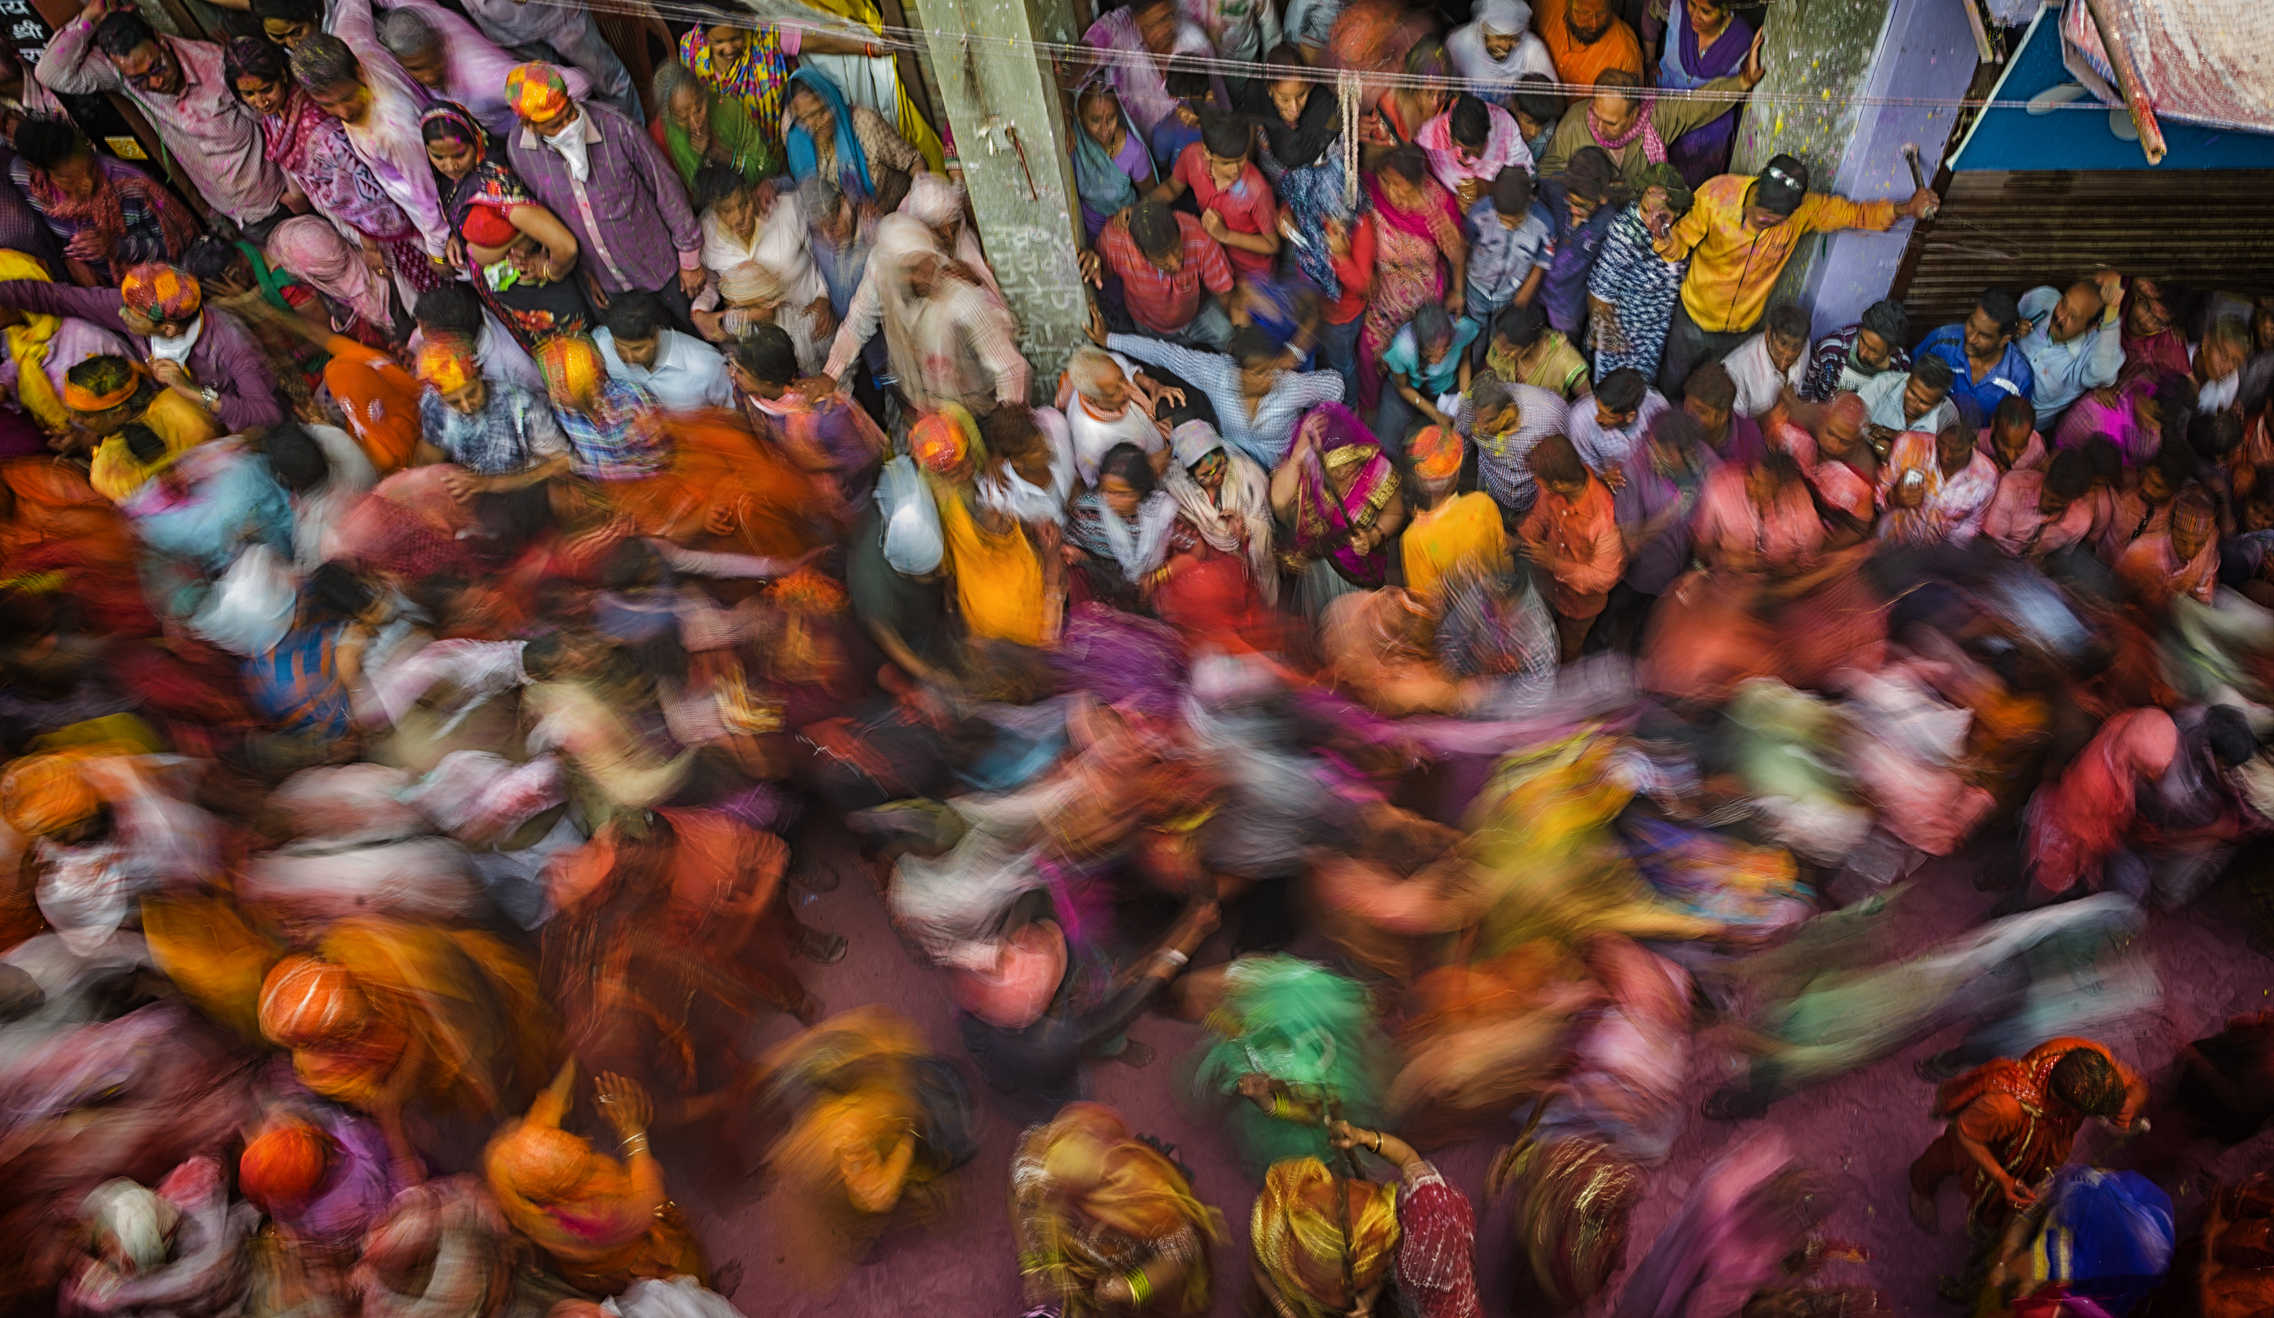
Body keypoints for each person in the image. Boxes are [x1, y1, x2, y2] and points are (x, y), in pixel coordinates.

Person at [1655, 153, 1936, 397]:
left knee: (1715, 393)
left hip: (1740, 330)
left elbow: (1856, 214)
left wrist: (1906, 208)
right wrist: (1665, 238)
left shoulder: (1803, 211)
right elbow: (1678, 245)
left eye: (1774, 219)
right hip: (1692, 319)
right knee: (1672, 383)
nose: (1763, 221)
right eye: (1759, 212)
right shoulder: (1716, 196)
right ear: (1757, 186)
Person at [35, 2, 289, 236]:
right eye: (140, 79)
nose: (155, 82)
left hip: (274, 201)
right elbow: (50, 73)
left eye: (156, 67)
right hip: (231, 213)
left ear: (160, 40)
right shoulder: (123, 76)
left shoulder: (216, 68)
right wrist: (92, 15)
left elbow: (276, 125)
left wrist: (294, 193)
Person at [225, 39, 437, 303]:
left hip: (385, 226)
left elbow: (363, 191)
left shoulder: (317, 120)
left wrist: (371, 244)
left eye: (266, 89)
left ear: (282, 75)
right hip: (358, 224)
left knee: (430, 284)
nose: (260, 101)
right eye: (249, 94)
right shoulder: (278, 115)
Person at [503, 63, 706, 329]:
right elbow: (548, 215)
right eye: (555, 125)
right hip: (608, 283)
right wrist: (585, 272)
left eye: (569, 112)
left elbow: (667, 189)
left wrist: (690, 260)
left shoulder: (617, 128)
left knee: (691, 330)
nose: (568, 125)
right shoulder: (520, 153)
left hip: (661, 267)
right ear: (528, 125)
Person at [486, 1062, 708, 1294]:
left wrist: (573, 1058)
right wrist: (633, 1131)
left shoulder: (515, 1161)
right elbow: (647, 1205)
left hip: (588, 1251)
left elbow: (548, 1106)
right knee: (685, 1274)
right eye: (587, 1164)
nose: (589, 1152)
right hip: (627, 1251)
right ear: (566, 1189)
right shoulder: (592, 1219)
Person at [0, 261, 283, 434]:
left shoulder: (230, 345)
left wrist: (193, 392)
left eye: (132, 316)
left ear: (168, 329)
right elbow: (56, 297)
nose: (120, 314)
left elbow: (267, 414)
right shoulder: (135, 308)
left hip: (226, 431)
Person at [1909, 1038, 2145, 1236]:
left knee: (2012, 1192)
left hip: (2032, 1143)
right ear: (2070, 1109)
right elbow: (1965, 1132)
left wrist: (2131, 1101)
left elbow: (2136, 1085)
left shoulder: (2091, 1064)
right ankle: (1921, 1188)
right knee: (1949, 1155)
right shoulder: (2005, 1108)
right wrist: (2002, 1178)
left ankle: (1991, 1214)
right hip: (1983, 1137)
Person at [1012, 1102, 1226, 1317]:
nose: (1051, 1196)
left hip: (1141, 1262)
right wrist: (1030, 1265)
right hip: (1094, 1267)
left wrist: (1131, 1289)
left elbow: (1181, 1256)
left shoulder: (1143, 1191)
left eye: (1069, 1193)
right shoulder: (1042, 1158)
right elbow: (1017, 1190)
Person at [824, 214, 1028, 417]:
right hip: (930, 411)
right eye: (912, 270)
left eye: (928, 263)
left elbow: (1011, 369)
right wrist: (830, 375)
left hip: (978, 410)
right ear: (893, 273)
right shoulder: (882, 272)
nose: (926, 277)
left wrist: (1007, 420)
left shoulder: (961, 298)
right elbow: (857, 323)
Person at [1101, 316, 1345, 468]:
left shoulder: (1290, 387)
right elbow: (1165, 354)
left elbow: (1336, 386)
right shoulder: (1218, 374)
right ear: (1238, 371)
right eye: (1259, 373)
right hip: (1236, 465)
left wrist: (1313, 421)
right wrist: (1109, 339)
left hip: (1287, 467)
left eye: (1270, 370)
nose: (1269, 378)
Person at [920, 406, 1054, 647]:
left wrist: (994, 456)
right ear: (940, 477)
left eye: (967, 459)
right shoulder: (944, 510)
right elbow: (948, 567)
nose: (967, 470)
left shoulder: (958, 419)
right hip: (1000, 612)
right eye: (955, 473)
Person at [9, 117, 197, 288]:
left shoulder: (131, 186)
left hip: (154, 281)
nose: (88, 183)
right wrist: (70, 259)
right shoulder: (27, 182)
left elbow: (176, 245)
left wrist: (116, 247)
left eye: (90, 169)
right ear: (38, 171)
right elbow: (51, 238)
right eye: (71, 179)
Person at [371, 0, 589, 139]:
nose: (427, 76)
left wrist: (542, 124)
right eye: (416, 68)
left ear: (444, 44)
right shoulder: (413, 12)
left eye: (432, 63)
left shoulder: (487, 80)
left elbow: (578, 83)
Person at [1359, 146, 1466, 415]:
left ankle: (1421, 404)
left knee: (1420, 355)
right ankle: (1371, 407)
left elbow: (1457, 254)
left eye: (1400, 187)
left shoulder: (1437, 205)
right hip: (1383, 297)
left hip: (1422, 303)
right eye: (1386, 181)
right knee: (1368, 352)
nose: (1391, 192)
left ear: (1418, 183)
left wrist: (1458, 290)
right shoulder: (1371, 191)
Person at [1534, 61, 1761, 187]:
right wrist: (1576, 183)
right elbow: (1547, 168)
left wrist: (1743, 82)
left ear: (1634, 116)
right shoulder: (1576, 120)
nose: (1599, 127)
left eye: (1611, 123)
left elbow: (1696, 106)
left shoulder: (1655, 118)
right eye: (1596, 115)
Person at [1271, 402, 1404, 614]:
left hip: (1360, 571)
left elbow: (1395, 512)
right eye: (1335, 469)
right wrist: (1297, 456)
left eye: (1353, 462)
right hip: (1320, 569)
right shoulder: (1308, 475)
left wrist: (1374, 536)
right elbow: (1279, 503)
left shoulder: (1376, 471)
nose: (1346, 472)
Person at [411, 332, 572, 497]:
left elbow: (563, 461)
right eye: (454, 402)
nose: (466, 406)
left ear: (481, 374)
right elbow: (431, 454)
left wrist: (490, 484)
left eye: (472, 393)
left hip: (524, 493)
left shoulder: (522, 405)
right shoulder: (433, 405)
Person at [1249, 1155, 1402, 1318]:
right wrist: (1285, 1310)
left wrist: (1367, 1299)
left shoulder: (1370, 1227)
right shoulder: (1277, 1221)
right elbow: (1256, 1263)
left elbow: (1387, 1262)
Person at [1519, 431, 1626, 659]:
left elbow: (1602, 577)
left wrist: (1555, 564)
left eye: (1538, 478)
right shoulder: (1552, 491)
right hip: (1547, 585)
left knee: (1569, 647)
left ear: (1558, 484)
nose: (1536, 481)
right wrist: (1523, 539)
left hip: (1579, 605)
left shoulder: (1603, 517)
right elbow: (1539, 517)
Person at [1585, 163, 1691, 386]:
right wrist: (1609, 336)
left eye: (1661, 216)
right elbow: (1601, 290)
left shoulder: (1686, 229)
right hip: (1622, 339)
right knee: (1613, 392)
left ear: (1678, 212)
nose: (1651, 220)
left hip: (1655, 336)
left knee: (1641, 393)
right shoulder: (1625, 232)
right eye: (1644, 209)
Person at [1085, 197, 1236, 351]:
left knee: (1231, 339)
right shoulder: (1116, 242)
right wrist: (1093, 261)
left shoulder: (1200, 238)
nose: (1176, 265)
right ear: (1140, 250)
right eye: (1163, 261)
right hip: (1150, 328)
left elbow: (1225, 294)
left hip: (1198, 314)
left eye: (1178, 251)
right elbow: (1101, 271)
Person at [64, 354, 221, 501]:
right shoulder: (181, 396)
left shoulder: (110, 463)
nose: (74, 419)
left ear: (120, 413)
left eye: (85, 416)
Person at [1082, 0, 1219, 166]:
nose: (1163, 31)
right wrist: (1067, 65)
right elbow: (1085, 54)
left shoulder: (1196, 45)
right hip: (1136, 159)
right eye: (1152, 25)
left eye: (1167, 18)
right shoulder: (1121, 31)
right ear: (1137, 21)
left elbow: (1220, 106)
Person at [782, 66, 928, 216]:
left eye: (820, 112)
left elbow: (915, 162)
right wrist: (850, 212)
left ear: (832, 99)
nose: (815, 125)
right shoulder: (807, 147)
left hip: (903, 212)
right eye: (805, 118)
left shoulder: (866, 126)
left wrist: (909, 205)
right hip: (866, 224)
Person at [1152, 113, 1278, 282]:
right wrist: (1144, 207)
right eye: (1226, 163)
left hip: (1252, 275)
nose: (1235, 170)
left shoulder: (1257, 191)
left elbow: (1273, 244)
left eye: (1240, 160)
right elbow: (1171, 188)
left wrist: (1225, 235)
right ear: (1206, 151)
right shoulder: (1192, 157)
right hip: (1214, 260)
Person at [1649, 0, 1759, 184]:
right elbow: (1650, 13)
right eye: (1693, 4)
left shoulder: (1741, 43)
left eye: (1706, 11)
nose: (1695, 16)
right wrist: (1648, 59)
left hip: (1704, 142)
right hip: (1663, 120)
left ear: (1725, 9)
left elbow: (1743, 93)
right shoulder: (1677, 7)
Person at [1400, 426, 1507, 601]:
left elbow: (1425, 605)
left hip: (1458, 617)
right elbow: (1503, 560)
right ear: (1456, 475)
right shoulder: (1482, 503)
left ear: (1419, 480)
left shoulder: (1414, 539)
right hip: (1497, 602)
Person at [1534, 146, 1624, 345]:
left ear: (1603, 198)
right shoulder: (1552, 190)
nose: (1574, 210)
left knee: (1563, 349)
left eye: (1583, 206)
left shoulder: (1610, 220)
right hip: (1538, 290)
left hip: (1569, 308)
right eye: (1570, 201)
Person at [592, 290, 733, 415]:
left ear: (655, 335)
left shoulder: (707, 369)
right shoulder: (601, 345)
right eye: (620, 348)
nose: (628, 358)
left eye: (637, 349)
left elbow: (734, 414)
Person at [1915, 287, 2036, 429]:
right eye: (1971, 324)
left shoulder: (2020, 378)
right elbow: (1908, 381)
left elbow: (2011, 427)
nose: (1971, 338)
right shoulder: (1940, 342)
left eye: (1983, 335)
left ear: (2004, 340)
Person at [2016, 272, 2124, 426]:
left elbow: (2103, 373)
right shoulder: (2042, 299)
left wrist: (2112, 311)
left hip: (2025, 427)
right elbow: (2003, 319)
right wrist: (2012, 325)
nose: (2060, 316)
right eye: (2063, 302)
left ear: (2090, 327)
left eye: (2073, 317)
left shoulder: (2088, 355)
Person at [650, 59, 773, 191]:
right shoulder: (663, 134)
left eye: (699, 109)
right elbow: (684, 193)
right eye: (683, 118)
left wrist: (728, 158)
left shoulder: (727, 108)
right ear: (670, 117)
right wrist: (703, 156)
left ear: (704, 94)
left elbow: (763, 166)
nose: (695, 123)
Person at [1877, 419, 1998, 546]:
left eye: (1956, 449)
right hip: (1891, 543)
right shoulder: (1909, 444)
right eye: (1941, 442)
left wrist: (1946, 552)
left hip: (1939, 554)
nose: (1945, 455)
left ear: (1974, 443)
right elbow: (1881, 488)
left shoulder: (1986, 477)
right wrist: (1894, 498)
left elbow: (1971, 526)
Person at [1062, 345, 1170, 482]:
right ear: (1093, 399)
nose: (1128, 390)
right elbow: (1104, 486)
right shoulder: (1092, 447)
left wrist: (1152, 385)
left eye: (1123, 378)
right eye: (1116, 392)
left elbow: (1126, 368)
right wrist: (1147, 469)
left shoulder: (1108, 368)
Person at [1378, 302, 1477, 448]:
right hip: (1410, 387)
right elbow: (1403, 386)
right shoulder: (1403, 348)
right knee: (1386, 446)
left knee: (1464, 436)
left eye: (1445, 352)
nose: (1436, 361)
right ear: (1419, 346)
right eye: (1429, 355)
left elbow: (1465, 360)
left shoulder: (1462, 331)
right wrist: (1435, 413)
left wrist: (1464, 397)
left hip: (1445, 384)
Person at [1072, 79, 1159, 243]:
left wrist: (1134, 212)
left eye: (1111, 118)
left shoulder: (1134, 152)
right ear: (1079, 116)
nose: (1105, 129)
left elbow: (1151, 194)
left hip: (1121, 235)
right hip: (1087, 231)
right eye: (1095, 120)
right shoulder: (1075, 138)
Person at [1464, 168, 1553, 326]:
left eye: (1517, 221)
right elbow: (1468, 246)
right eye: (1503, 220)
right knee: (1474, 331)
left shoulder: (1545, 225)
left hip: (1509, 297)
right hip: (1476, 289)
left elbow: (1539, 266)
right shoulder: (1478, 214)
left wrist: (1518, 305)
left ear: (1529, 200)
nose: (1509, 227)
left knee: (1500, 334)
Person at [1417, 94, 1533, 212]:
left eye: (1475, 151)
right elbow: (1421, 183)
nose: (1468, 158)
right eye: (1463, 150)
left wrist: (1490, 187)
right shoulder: (1430, 137)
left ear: (1488, 131)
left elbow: (1526, 176)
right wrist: (1453, 203)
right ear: (1451, 136)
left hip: (1499, 204)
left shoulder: (1504, 125)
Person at [1981, 447, 2094, 560]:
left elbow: (2060, 560)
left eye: (2055, 501)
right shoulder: (2011, 488)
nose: (2045, 501)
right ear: (2046, 475)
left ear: (2074, 500)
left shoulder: (2079, 521)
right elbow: (1988, 543)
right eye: (2046, 491)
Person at [1801, 296, 1910, 402]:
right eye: (1862, 340)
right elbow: (1808, 391)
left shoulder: (1900, 367)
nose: (1862, 353)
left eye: (1873, 350)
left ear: (1892, 350)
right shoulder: (1831, 350)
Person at [1445, 0, 1556, 100]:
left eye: (1513, 38)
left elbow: (1551, 99)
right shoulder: (1459, 45)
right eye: (1498, 37)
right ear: (1483, 28)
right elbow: (1449, 89)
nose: (1505, 46)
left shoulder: (1534, 53)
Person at [1569, 367, 1667, 473]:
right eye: (1598, 409)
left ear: (1629, 416)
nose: (1598, 418)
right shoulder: (1580, 421)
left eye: (1607, 415)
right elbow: (1586, 466)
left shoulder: (1659, 409)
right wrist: (1604, 476)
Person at [1533, 0, 1645, 92]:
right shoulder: (1547, 5)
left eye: (1601, 13)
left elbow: (1635, 106)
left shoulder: (1625, 53)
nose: (1594, 24)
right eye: (1584, 12)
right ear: (1568, 4)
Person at [1722, 301, 1809, 419]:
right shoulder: (1737, 369)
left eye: (1796, 347)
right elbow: (1735, 425)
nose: (1788, 353)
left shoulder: (1804, 345)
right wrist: (1776, 409)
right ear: (1768, 333)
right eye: (1783, 343)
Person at [1859, 353, 1959, 442]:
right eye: (1912, 393)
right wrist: (1877, 443)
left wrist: (1899, 438)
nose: (1914, 404)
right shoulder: (1883, 385)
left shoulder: (1948, 417)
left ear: (1939, 403)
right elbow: (1852, 420)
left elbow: (1942, 453)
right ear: (1908, 379)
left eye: (1924, 402)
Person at [1680, 362, 1763, 465]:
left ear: (1723, 416)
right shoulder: (1674, 422)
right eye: (1687, 405)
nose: (1689, 414)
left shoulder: (1750, 435)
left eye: (1701, 411)